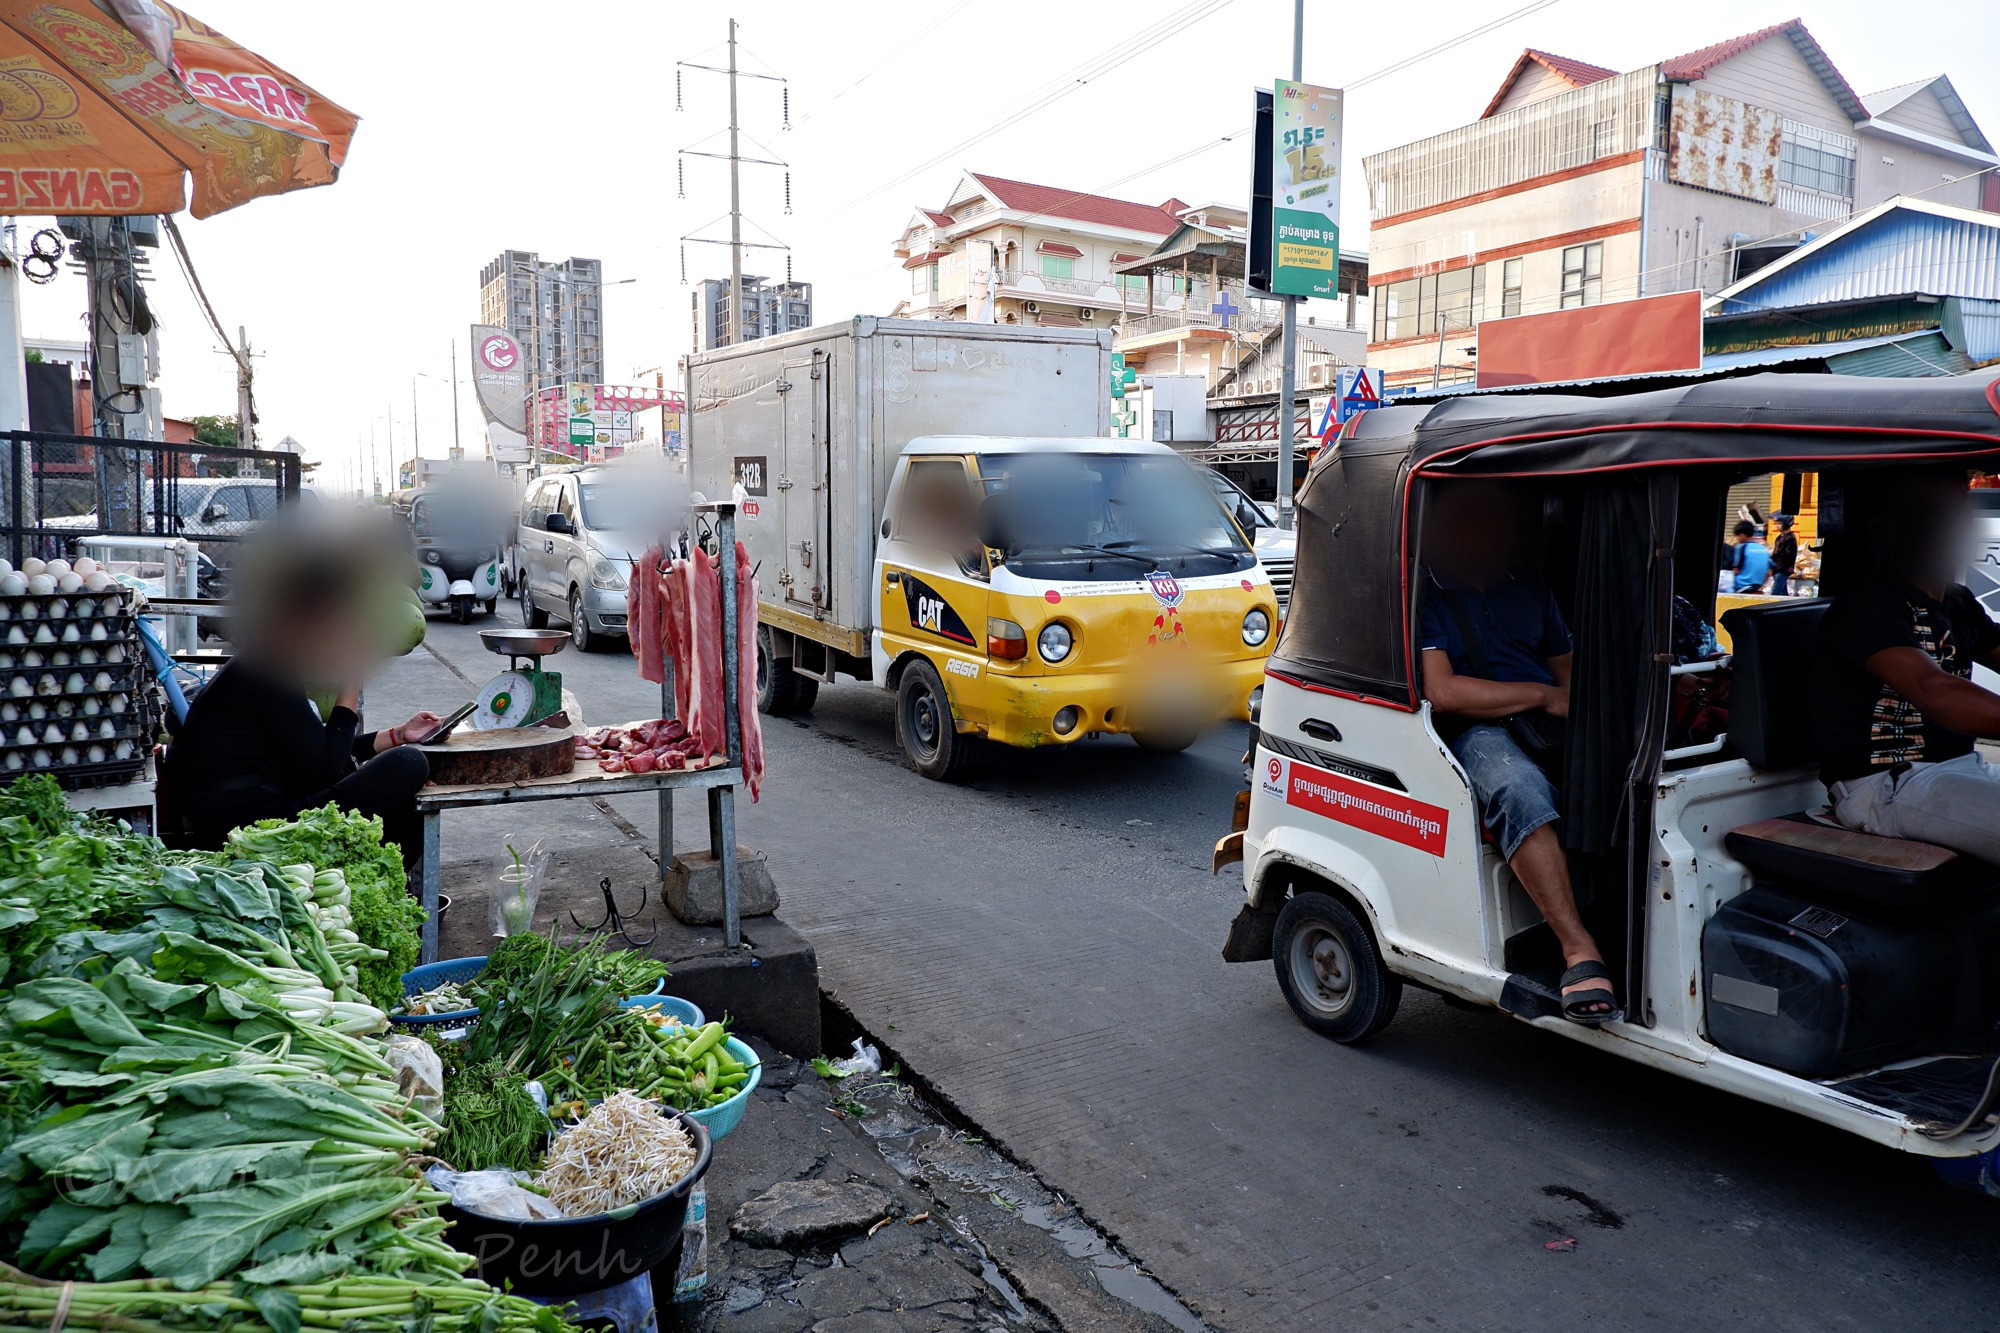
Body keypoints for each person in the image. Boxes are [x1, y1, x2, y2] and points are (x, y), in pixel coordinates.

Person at [1419, 482, 1619, 1025]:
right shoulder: (1427, 594)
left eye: (1492, 521)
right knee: (1518, 790)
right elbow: (1445, 691)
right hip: (1474, 729)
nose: (1483, 532)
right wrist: (1542, 696)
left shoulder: (1528, 588)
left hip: (1546, 722)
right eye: (1468, 520)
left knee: (1633, 771)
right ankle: (1578, 949)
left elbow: (1569, 673)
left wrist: (1584, 712)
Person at [163, 518, 439, 865]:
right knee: (408, 764)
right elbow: (324, 766)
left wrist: (397, 735)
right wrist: (351, 681)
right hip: (245, 827)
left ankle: (387, 891)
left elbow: (313, 751)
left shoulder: (269, 659)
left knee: (402, 779)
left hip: (259, 802)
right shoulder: (266, 670)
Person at [1813, 467, 2000, 864]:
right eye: (1930, 510)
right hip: (1887, 785)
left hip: (1963, 767)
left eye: (1957, 505)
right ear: (1885, 528)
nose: (1953, 519)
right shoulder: (1868, 605)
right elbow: (1935, 691)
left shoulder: (1958, 602)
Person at [1729, 519, 1771, 593]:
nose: (1736, 538)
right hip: (1757, 587)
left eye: (1737, 536)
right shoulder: (1763, 548)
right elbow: (1769, 572)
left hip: (1740, 587)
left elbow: (1736, 570)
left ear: (1742, 535)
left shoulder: (1741, 547)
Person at [1769, 514, 1798, 597]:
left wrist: (1774, 556)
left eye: (1779, 524)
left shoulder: (1790, 538)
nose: (1777, 526)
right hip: (1776, 569)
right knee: (1783, 594)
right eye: (1776, 524)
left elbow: (1788, 555)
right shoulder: (1779, 538)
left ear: (1786, 523)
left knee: (1774, 593)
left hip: (1783, 569)